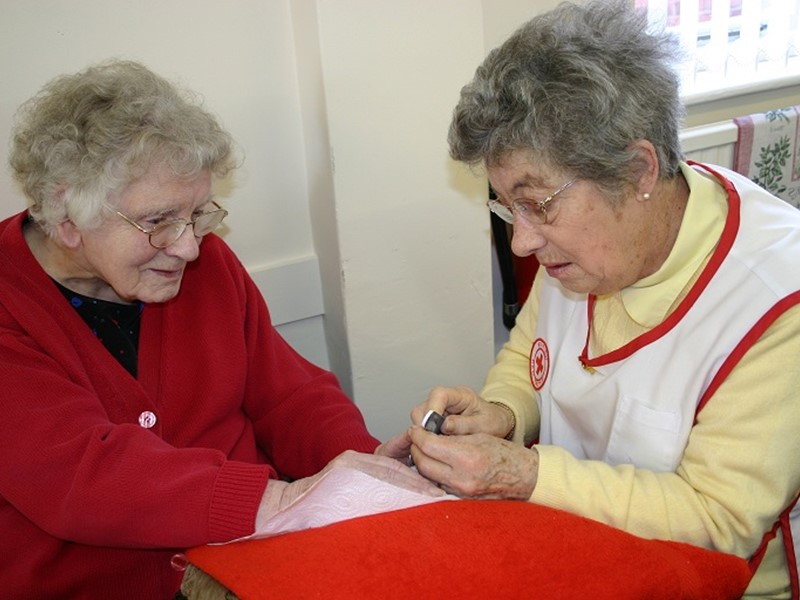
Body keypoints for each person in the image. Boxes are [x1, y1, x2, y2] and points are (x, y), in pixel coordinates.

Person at [397, 1, 800, 597]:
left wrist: (525, 473)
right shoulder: (590, 245)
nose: (524, 240)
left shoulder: (776, 307)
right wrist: (505, 413)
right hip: (576, 546)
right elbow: (530, 356)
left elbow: (718, 522)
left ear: (638, 169)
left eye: (537, 204)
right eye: (509, 205)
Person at [0, 59, 435, 599]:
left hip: (252, 564)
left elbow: (290, 398)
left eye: (200, 214)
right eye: (159, 222)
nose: (189, 246)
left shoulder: (207, 265)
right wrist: (283, 501)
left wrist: (366, 472)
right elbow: (83, 476)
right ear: (68, 221)